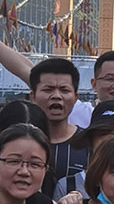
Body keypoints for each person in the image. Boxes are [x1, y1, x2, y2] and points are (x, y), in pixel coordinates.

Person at [27, 56, 88, 191]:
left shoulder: (89, 144)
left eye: (64, 90)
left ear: (76, 97)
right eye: (48, 90)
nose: (56, 96)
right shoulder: (17, 140)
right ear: (33, 96)